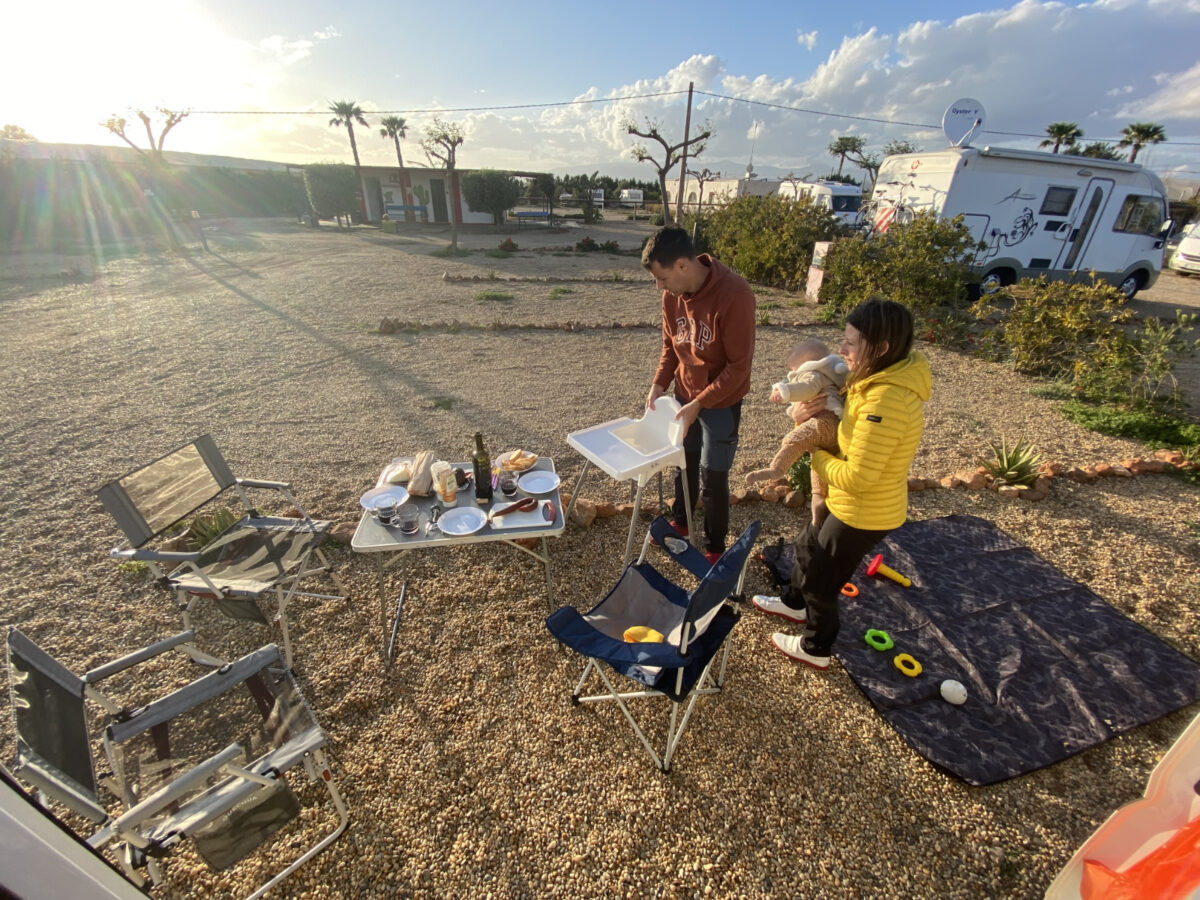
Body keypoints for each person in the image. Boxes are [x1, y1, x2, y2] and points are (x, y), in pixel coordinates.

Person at [752, 299, 931, 669]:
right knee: (807, 544)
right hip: (843, 496)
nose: (842, 349)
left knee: (822, 578)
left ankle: (817, 648)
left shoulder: (886, 400)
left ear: (880, 348)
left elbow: (859, 478)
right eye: (844, 338)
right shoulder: (873, 377)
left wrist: (814, 454)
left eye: (851, 342)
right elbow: (833, 421)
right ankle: (793, 603)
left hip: (863, 509)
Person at [642, 226, 756, 565]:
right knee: (684, 462)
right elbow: (671, 347)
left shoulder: (735, 295)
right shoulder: (671, 296)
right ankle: (681, 521)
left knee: (713, 474)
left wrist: (700, 403)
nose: (659, 287)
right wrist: (658, 384)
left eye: (661, 278)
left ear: (682, 266)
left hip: (721, 400)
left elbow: (738, 367)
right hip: (683, 395)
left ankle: (715, 546)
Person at [745, 338, 848, 526]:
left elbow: (807, 389)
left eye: (794, 370)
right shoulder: (827, 376)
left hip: (825, 422)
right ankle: (818, 510)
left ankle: (777, 468)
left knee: (795, 439)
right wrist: (797, 414)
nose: (792, 374)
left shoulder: (814, 374)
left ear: (808, 364)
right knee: (817, 474)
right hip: (825, 432)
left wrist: (784, 392)